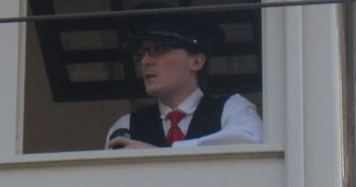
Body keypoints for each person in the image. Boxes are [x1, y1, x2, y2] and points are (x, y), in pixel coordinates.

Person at [105, 10, 261, 149]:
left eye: (159, 49)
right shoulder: (127, 126)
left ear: (197, 61)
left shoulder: (232, 109)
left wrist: (160, 154)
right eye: (141, 54)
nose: (145, 61)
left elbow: (251, 141)